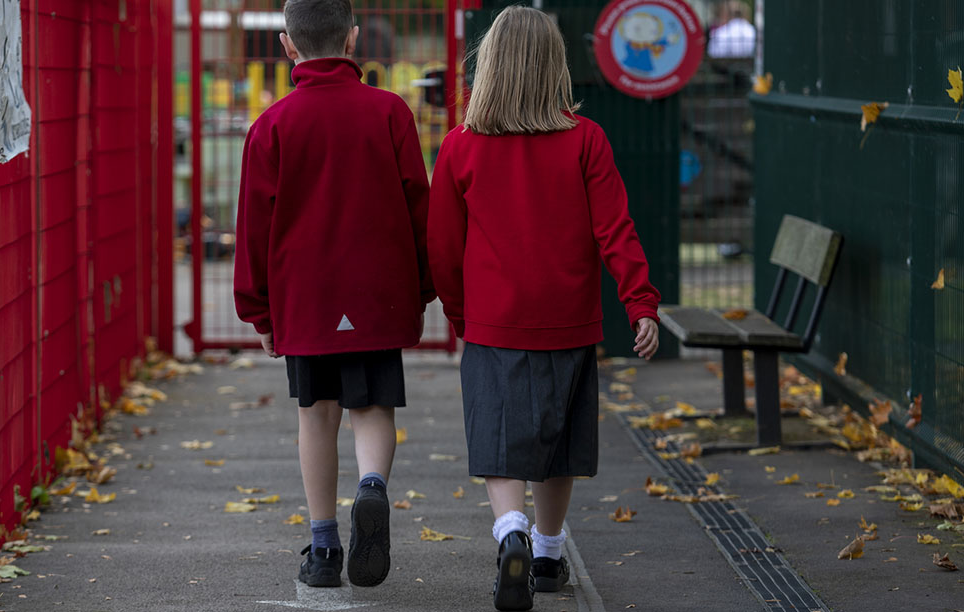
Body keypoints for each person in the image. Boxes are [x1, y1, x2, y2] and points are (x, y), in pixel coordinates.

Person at [427, 6, 661, 610]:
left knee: (499, 440)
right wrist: (640, 304)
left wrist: (460, 315)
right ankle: (549, 556)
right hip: (569, 319)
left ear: (491, 65)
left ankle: (510, 532)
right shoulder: (586, 141)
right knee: (557, 440)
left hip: (492, 319)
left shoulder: (461, 147)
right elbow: (616, 231)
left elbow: (443, 247)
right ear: (554, 67)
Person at [232, 0, 433, 590]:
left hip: (306, 295)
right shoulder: (391, 113)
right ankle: (372, 488)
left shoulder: (271, 126)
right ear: (351, 38)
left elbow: (254, 227)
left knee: (315, 416)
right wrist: (424, 286)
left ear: (287, 46)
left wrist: (258, 309)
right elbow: (418, 204)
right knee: (372, 407)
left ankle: (322, 549)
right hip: (377, 292)